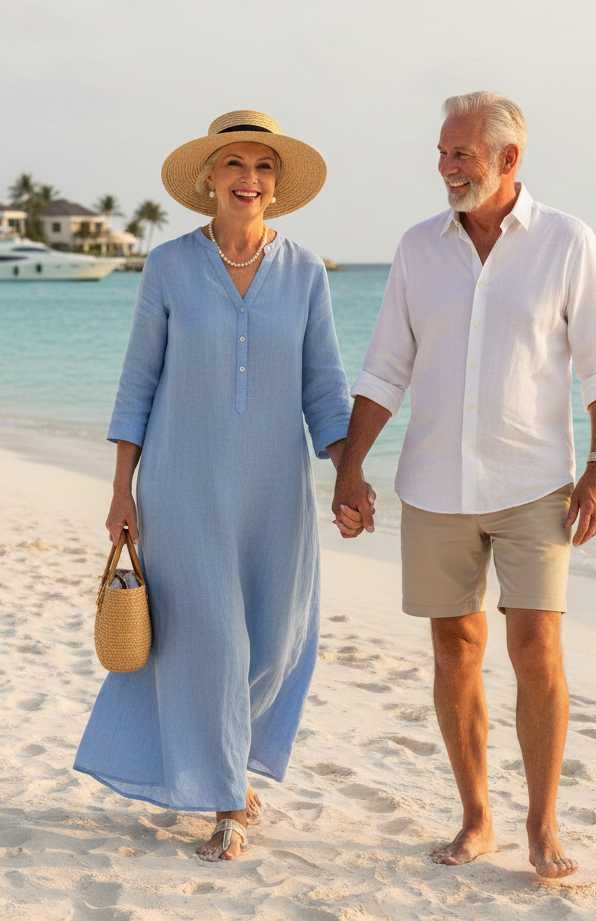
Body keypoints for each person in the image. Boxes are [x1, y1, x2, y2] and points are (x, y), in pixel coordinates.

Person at [331, 91, 596, 879]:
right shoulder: (416, 248)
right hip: (432, 485)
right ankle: (476, 819)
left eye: (460, 153)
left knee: (536, 648)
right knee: (454, 651)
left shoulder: (567, 241)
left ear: (508, 159)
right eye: (441, 152)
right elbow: (385, 367)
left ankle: (542, 824)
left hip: (536, 483)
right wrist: (350, 464)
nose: (446, 167)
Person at [75, 110, 356, 862]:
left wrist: (349, 469)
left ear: (277, 185)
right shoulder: (169, 266)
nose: (249, 180)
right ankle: (227, 794)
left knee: (273, 635)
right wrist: (120, 490)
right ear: (208, 180)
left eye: (263, 168)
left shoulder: (304, 271)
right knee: (210, 642)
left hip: (275, 489)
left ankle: (226, 763)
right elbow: (138, 380)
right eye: (234, 165)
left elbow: (324, 387)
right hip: (183, 481)